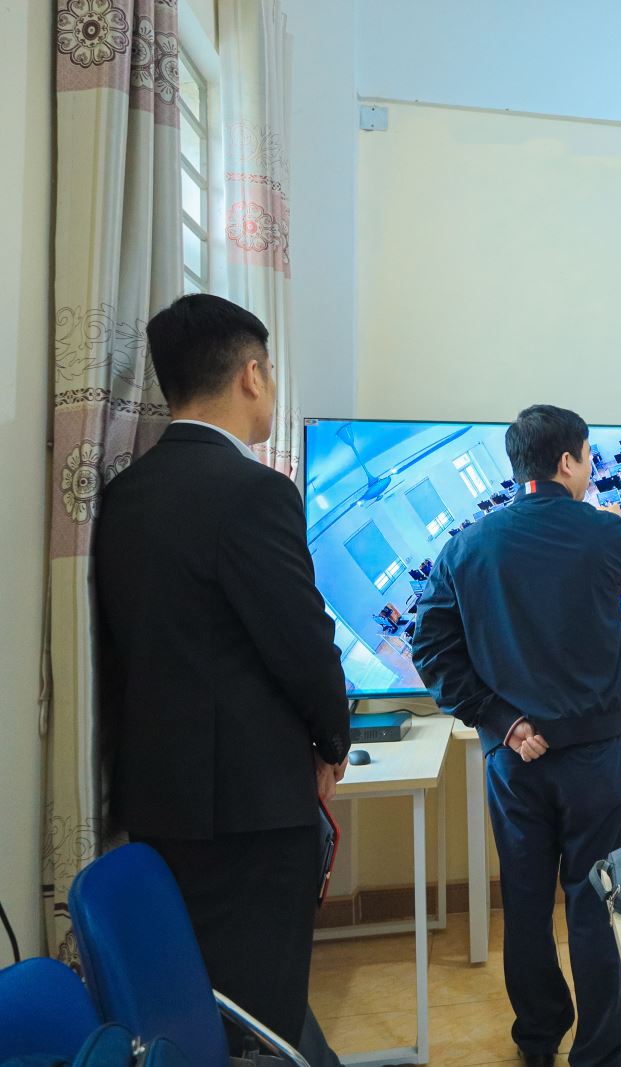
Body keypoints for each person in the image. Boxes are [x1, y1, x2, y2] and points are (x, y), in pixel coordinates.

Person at [95, 294, 349, 1049]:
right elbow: (302, 639)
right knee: (261, 1015)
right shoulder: (253, 491)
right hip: (251, 810)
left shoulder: (122, 494)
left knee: (196, 1000)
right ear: (251, 375)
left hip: (158, 800)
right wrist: (333, 741)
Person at [414, 404, 621, 1067]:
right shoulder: (602, 531)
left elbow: (430, 649)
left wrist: (501, 720)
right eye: (588, 456)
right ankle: (600, 1050)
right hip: (595, 761)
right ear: (567, 461)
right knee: (594, 900)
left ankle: (537, 1038)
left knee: (525, 904)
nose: (591, 469)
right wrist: (615, 521)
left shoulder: (467, 546)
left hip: (513, 759)